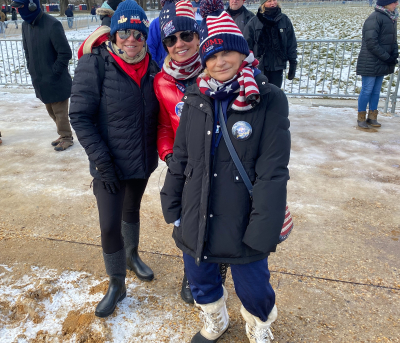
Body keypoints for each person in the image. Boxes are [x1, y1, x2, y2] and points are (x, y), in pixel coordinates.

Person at [160, 0, 290, 341]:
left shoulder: (267, 99)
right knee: (201, 279)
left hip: (243, 217)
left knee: (254, 287)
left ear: (242, 54)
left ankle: (259, 324)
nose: (219, 62)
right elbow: (182, 159)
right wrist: (171, 202)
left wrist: (264, 227)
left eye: (226, 54)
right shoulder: (195, 98)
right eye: (212, 56)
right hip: (197, 213)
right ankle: (215, 319)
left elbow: (272, 172)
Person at [69, 0, 159, 318]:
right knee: (109, 225)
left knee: (131, 212)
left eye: (138, 33)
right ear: (113, 35)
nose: (131, 39)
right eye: (125, 33)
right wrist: (101, 161)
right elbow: (79, 116)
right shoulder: (95, 63)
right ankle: (116, 282)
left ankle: (132, 255)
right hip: (108, 164)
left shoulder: (153, 66)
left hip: (142, 159)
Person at [12, 0, 74, 151]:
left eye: (21, 7)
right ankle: (62, 133)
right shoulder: (26, 25)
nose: (19, 10)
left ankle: (67, 137)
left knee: (60, 112)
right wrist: (31, 69)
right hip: (39, 79)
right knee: (51, 111)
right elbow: (27, 50)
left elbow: (65, 53)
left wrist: (55, 73)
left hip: (55, 79)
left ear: (32, 5)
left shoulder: (52, 24)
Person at [356, 0, 398, 129]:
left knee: (376, 91)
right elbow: (371, 42)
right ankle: (361, 117)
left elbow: (392, 40)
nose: (396, 4)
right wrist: (387, 57)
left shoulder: (391, 18)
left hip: (381, 61)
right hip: (370, 61)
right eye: (394, 2)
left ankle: (372, 117)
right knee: (367, 90)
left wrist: (394, 54)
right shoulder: (375, 18)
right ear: (386, 3)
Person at [244, 0, 297, 88]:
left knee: (274, 95)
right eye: (269, 1)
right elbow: (246, 46)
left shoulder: (284, 20)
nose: (272, 3)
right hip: (259, 67)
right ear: (263, 3)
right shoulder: (254, 22)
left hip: (277, 66)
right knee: (261, 95)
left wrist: (293, 62)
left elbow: (291, 43)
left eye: (274, 0)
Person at [147, 0, 169, 69]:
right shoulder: (156, 23)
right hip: (161, 70)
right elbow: (150, 48)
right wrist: (154, 69)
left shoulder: (185, 22)